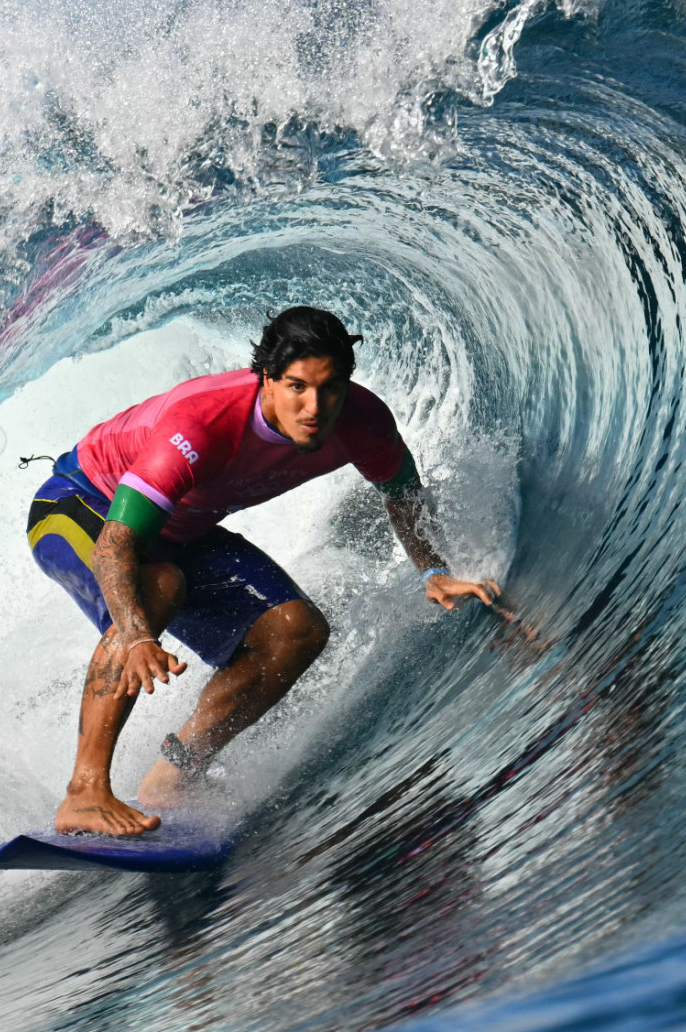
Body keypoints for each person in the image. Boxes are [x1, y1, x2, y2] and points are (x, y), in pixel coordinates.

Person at [27, 306, 507, 836]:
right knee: (158, 586)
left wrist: (432, 570)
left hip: (181, 530)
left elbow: (401, 491)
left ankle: (175, 775)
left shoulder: (362, 421)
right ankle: (84, 792)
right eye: (297, 387)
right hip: (80, 504)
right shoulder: (202, 425)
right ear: (267, 379)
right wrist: (138, 636)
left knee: (295, 631)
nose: (314, 407)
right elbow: (114, 546)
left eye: (330, 388)